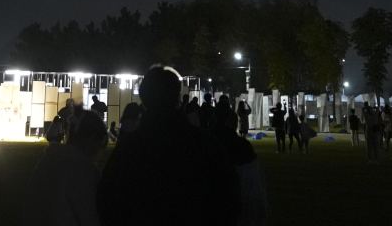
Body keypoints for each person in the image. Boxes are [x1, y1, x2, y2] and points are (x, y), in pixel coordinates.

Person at [97, 66, 238, 226]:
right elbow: (228, 200)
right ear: (177, 97)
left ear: (144, 100)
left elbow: (108, 203)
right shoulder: (206, 145)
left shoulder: (128, 150)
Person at [20, 107, 106, 226]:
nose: (99, 153)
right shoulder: (82, 170)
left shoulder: (48, 161)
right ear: (91, 139)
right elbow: (89, 217)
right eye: (99, 146)